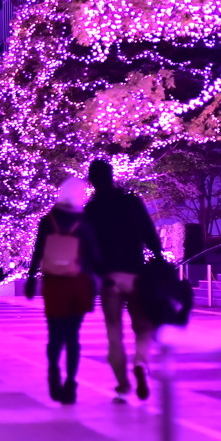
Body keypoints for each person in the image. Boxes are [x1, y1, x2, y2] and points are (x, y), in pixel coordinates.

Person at [84, 159, 163, 403]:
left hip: (110, 278)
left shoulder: (91, 209)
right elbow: (149, 232)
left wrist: (96, 271)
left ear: (92, 181)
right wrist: (158, 255)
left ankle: (122, 386)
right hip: (135, 273)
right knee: (143, 326)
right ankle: (140, 361)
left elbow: (87, 247)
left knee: (114, 335)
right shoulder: (131, 201)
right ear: (112, 176)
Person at [25, 177, 101, 405]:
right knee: (73, 335)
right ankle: (71, 382)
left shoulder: (48, 221)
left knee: (55, 333)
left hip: (54, 282)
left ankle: (53, 375)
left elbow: (38, 251)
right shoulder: (85, 221)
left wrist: (31, 278)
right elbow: (94, 255)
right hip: (79, 282)